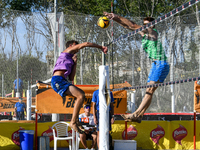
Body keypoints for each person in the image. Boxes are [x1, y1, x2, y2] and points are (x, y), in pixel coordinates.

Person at [103, 12, 170, 123]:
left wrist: (117, 15)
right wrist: (115, 19)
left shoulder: (154, 33)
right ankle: (139, 116)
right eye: (144, 24)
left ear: (153, 25)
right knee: (149, 91)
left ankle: (135, 113)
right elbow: (128, 26)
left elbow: (133, 25)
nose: (145, 26)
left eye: (147, 24)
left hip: (160, 63)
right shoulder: (145, 34)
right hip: (156, 65)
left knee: (149, 90)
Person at [51, 40, 107, 133]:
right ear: (71, 45)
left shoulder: (71, 59)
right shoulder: (67, 51)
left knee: (80, 96)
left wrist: (75, 63)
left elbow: (71, 77)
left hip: (63, 80)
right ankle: (73, 121)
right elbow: (85, 44)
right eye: (76, 46)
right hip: (57, 80)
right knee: (81, 95)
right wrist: (100, 47)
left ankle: (75, 120)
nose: (77, 49)